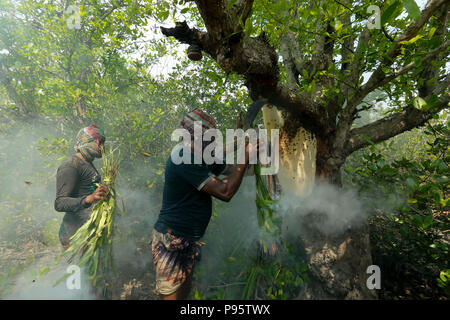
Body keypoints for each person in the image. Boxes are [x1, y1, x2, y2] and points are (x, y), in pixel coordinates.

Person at [151, 109, 257, 300]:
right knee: (171, 295)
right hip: (172, 238)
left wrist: (256, 158)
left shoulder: (202, 156)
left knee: (183, 288)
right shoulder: (183, 158)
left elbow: (235, 171)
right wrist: (245, 156)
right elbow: (225, 192)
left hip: (187, 239)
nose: (213, 141)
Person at [54, 124, 109, 249]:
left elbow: (88, 189)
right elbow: (59, 203)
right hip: (74, 235)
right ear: (88, 142)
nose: (103, 147)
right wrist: (88, 199)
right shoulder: (71, 165)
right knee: (77, 268)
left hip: (88, 232)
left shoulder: (87, 163)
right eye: (99, 142)